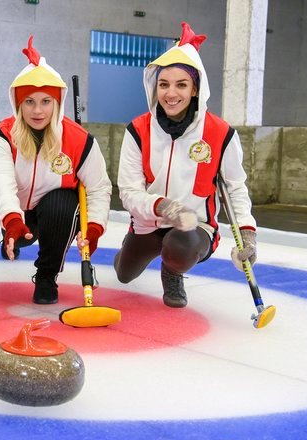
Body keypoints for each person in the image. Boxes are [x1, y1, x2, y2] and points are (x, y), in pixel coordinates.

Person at [115, 22, 257, 308]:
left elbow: (234, 186)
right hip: (149, 222)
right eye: (164, 85)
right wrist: (164, 207)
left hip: (195, 226)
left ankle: (173, 272)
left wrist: (247, 232)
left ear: (195, 89)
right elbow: (129, 191)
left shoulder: (220, 133)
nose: (171, 93)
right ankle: (136, 252)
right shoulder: (138, 130)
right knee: (123, 274)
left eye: (181, 85)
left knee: (180, 248)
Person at [0, 36, 112, 305]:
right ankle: (14, 237)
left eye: (45, 101)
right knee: (20, 240)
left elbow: (99, 187)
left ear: (57, 103)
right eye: (29, 101)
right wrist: (11, 220)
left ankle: (46, 275)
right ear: (18, 104)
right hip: (19, 216)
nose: (38, 110)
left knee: (65, 200)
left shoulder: (80, 140)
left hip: (54, 214)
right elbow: (3, 186)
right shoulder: (1, 137)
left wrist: (95, 228)